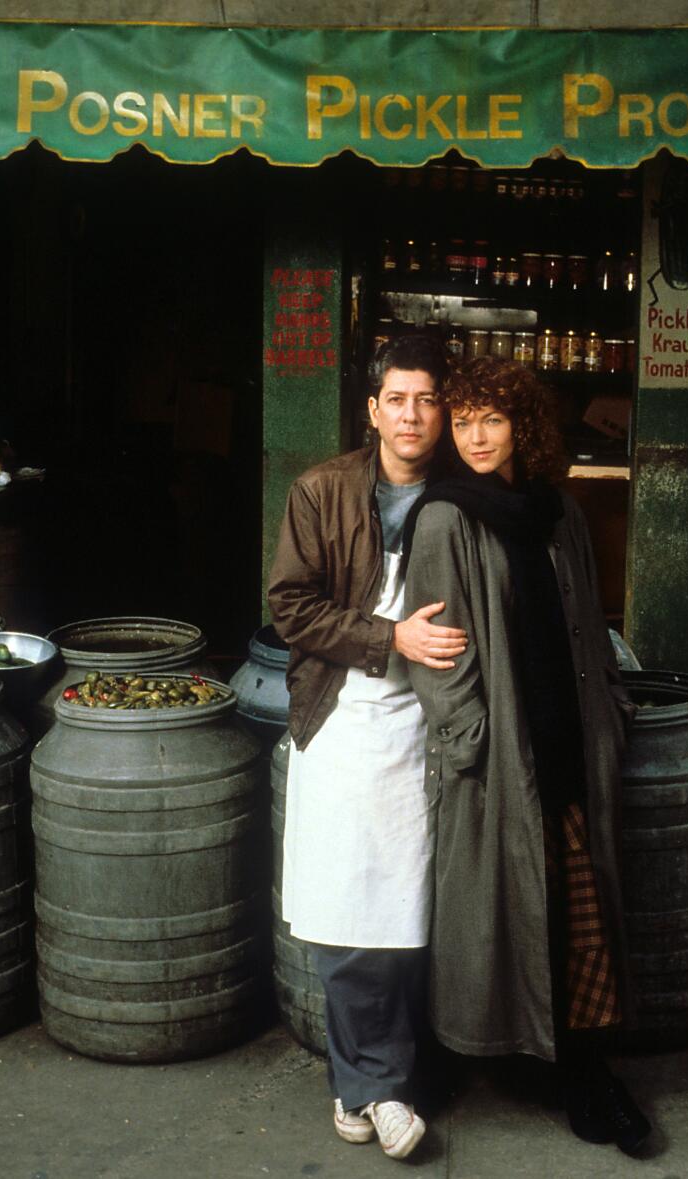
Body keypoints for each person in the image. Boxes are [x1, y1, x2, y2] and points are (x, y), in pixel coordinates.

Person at [401, 356, 653, 1155]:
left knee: (576, 912)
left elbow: (592, 620)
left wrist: (610, 704)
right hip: (499, 754)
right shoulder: (445, 518)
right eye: (464, 419)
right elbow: (434, 653)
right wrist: (469, 735)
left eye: (493, 420)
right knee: (493, 910)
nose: (475, 436)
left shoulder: (558, 513)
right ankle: (469, 1059)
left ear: (524, 428)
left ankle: (584, 1072)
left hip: (569, 740)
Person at [266, 333, 467, 1161]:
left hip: (429, 723)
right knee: (349, 911)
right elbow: (291, 606)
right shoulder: (322, 490)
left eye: (427, 399)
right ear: (373, 407)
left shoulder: (462, 494)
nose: (411, 414)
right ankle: (383, 1087)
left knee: (410, 907)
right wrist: (390, 638)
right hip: (343, 712)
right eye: (398, 398)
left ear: (441, 409)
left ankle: (364, 1083)